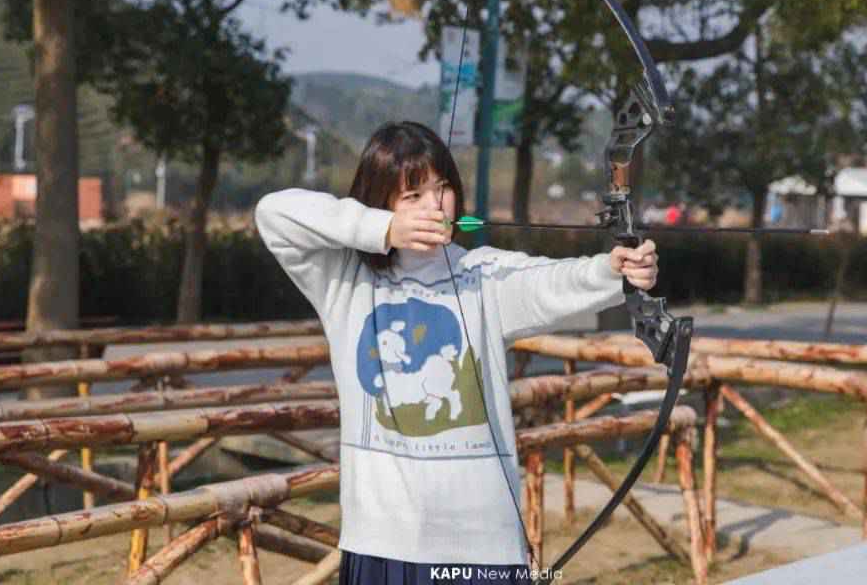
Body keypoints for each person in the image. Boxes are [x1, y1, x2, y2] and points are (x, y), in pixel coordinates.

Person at [254, 121, 659, 584]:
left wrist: (614, 271)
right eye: (413, 196)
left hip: (482, 543)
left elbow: (553, 282)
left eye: (442, 188)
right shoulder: (344, 279)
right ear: (381, 203)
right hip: (381, 541)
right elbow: (273, 213)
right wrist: (382, 228)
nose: (434, 205)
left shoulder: (481, 273)